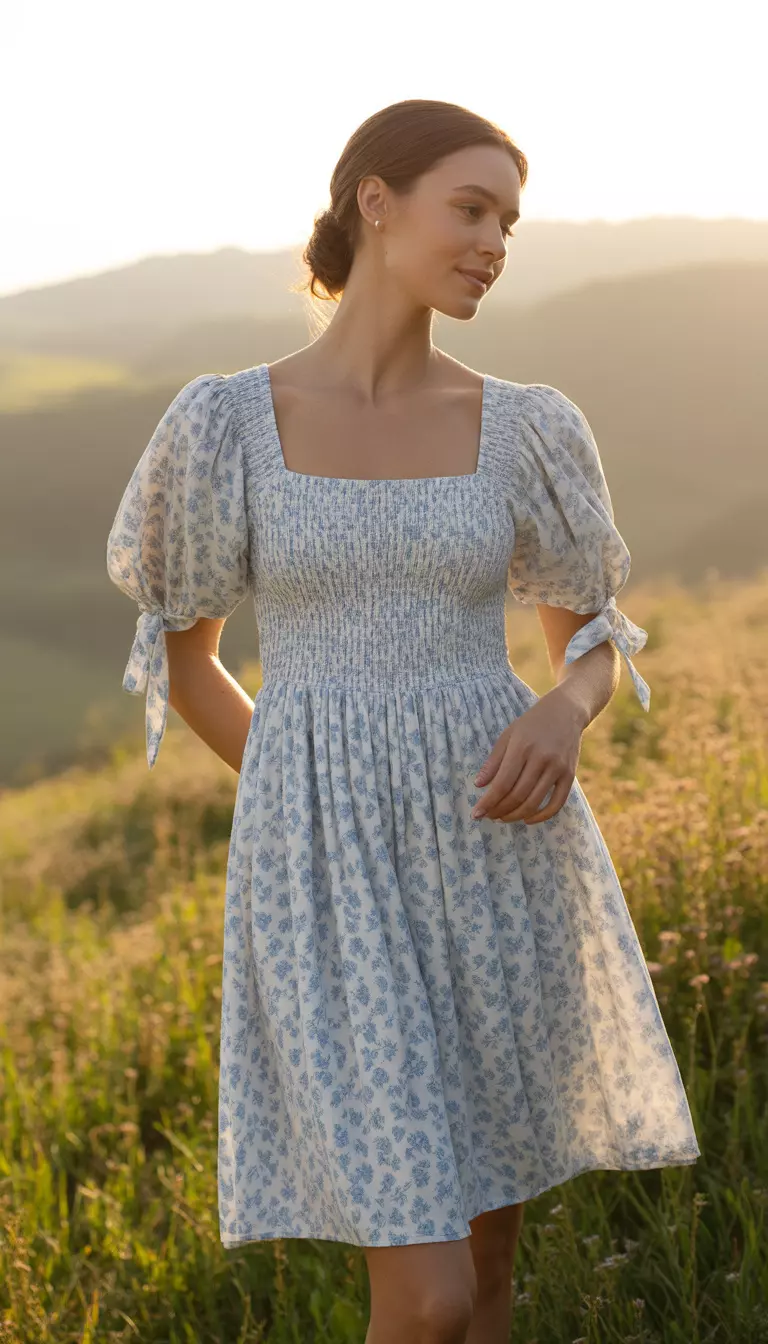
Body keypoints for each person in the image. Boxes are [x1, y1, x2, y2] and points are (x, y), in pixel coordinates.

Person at [106, 98, 699, 1344]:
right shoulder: (224, 425)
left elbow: (591, 638)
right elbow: (186, 657)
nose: (494, 242)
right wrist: (303, 784)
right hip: (325, 876)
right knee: (422, 1296)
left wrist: (564, 714)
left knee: (486, 1271)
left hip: (499, 852)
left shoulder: (528, 425)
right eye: (470, 209)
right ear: (376, 201)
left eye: (510, 225)